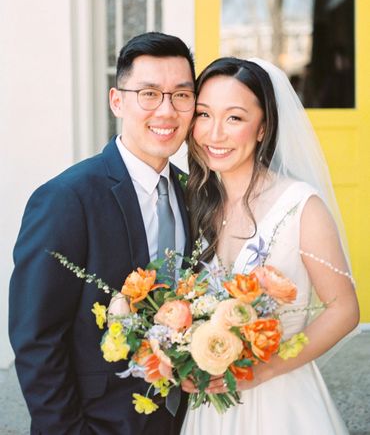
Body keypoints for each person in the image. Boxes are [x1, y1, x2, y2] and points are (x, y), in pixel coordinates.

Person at [9, 31, 195, 435]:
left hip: (185, 418)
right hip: (98, 422)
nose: (166, 111)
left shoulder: (194, 194)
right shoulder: (65, 198)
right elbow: (36, 337)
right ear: (117, 101)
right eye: (149, 93)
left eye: (181, 95)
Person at [181, 57, 359, 434]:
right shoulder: (193, 202)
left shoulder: (300, 205)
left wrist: (265, 369)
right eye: (203, 114)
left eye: (234, 118)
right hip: (209, 405)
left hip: (281, 399)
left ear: (263, 128)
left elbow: (344, 309)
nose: (214, 134)